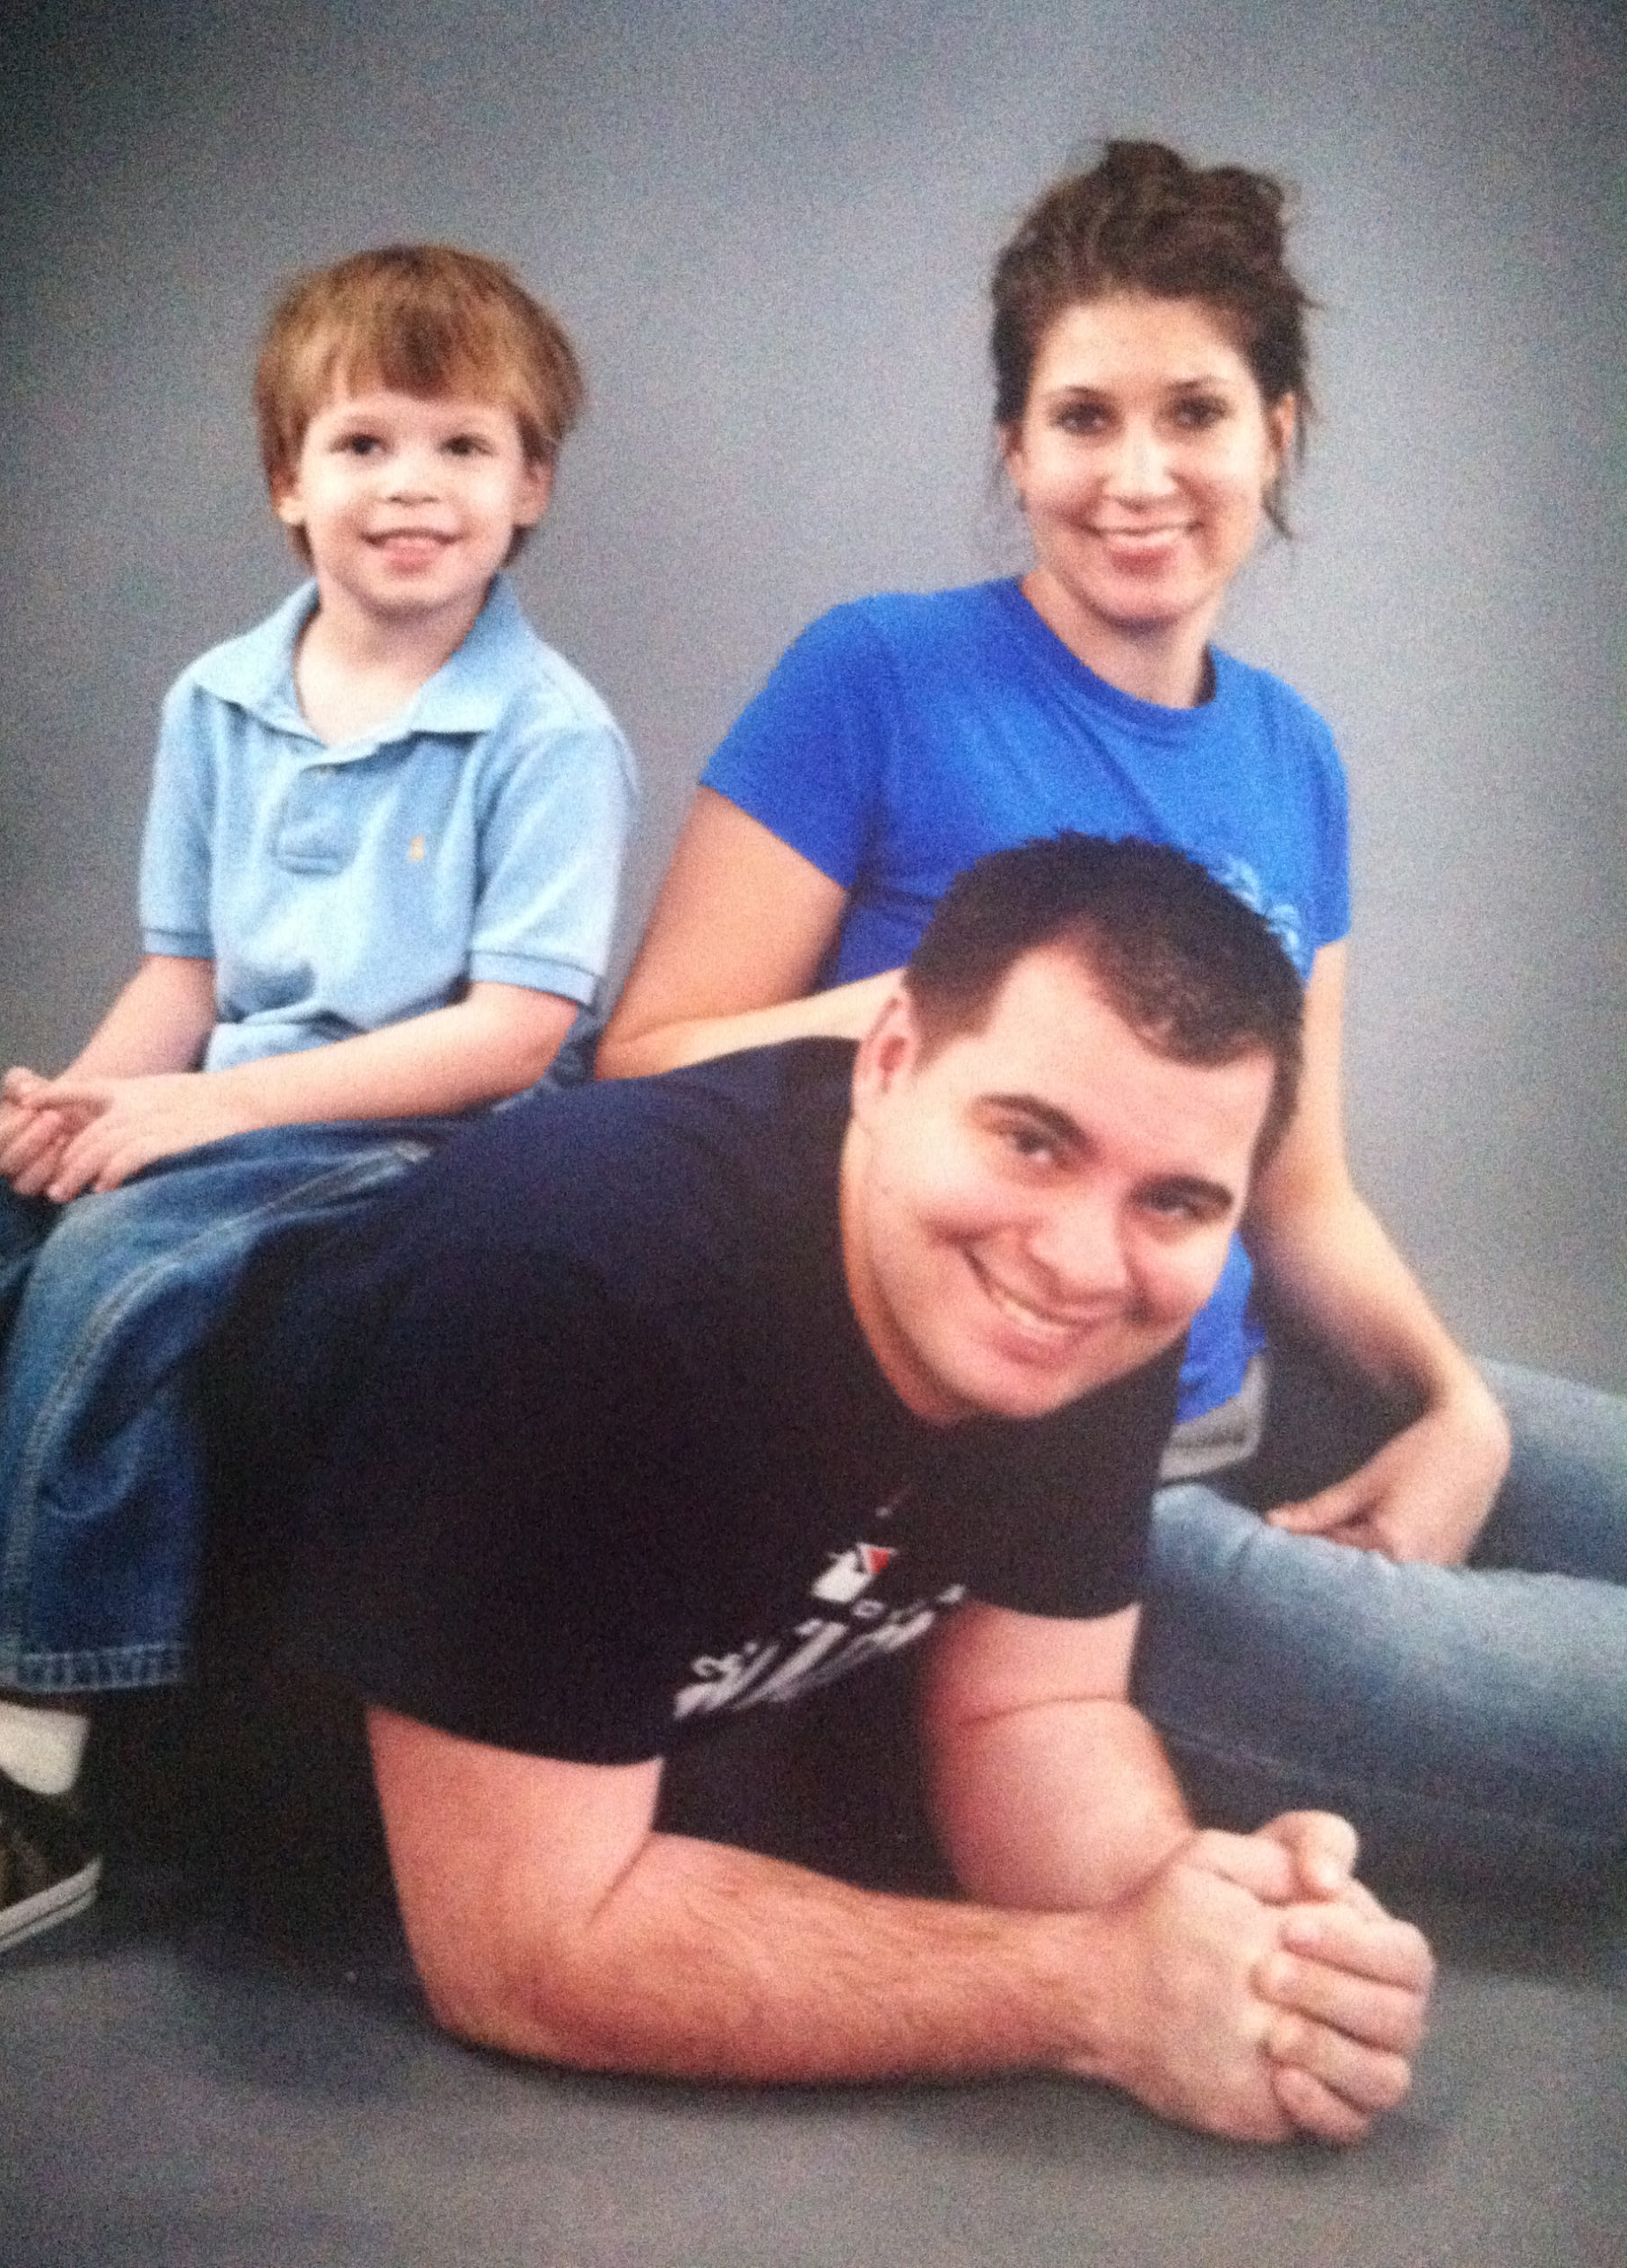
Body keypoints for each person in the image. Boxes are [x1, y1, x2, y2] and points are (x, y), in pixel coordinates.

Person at [595, 141, 1627, 1888]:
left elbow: (1297, 1187)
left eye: (1194, 412)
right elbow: (640, 1066)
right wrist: (938, 1011)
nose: (1137, 476)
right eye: (1082, 417)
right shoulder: (876, 675)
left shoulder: (1291, 753)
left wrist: (1455, 1409)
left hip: (1253, 1384)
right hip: (1048, 1504)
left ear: (1274, 432)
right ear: (1015, 446)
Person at [205, 835, 1429, 2144]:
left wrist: (1221, 1930)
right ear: (888, 1061)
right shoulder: (575, 1279)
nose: (1082, 1261)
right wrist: (1097, 1988)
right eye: (1030, 1141)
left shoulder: (1101, 1307)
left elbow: (1031, 1712)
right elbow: (529, 1947)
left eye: (1178, 1202)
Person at [0, 244, 636, 1979]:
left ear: (531, 484)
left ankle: (29, 1769)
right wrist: (97, 1097)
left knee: (119, 1264)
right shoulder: (217, 700)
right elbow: (184, 974)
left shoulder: (546, 732)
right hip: (239, 1100)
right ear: (285, 480)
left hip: (434, 1135)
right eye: (363, 443)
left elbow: (510, 1035)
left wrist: (196, 1120)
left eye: (463, 446)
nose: (412, 486)